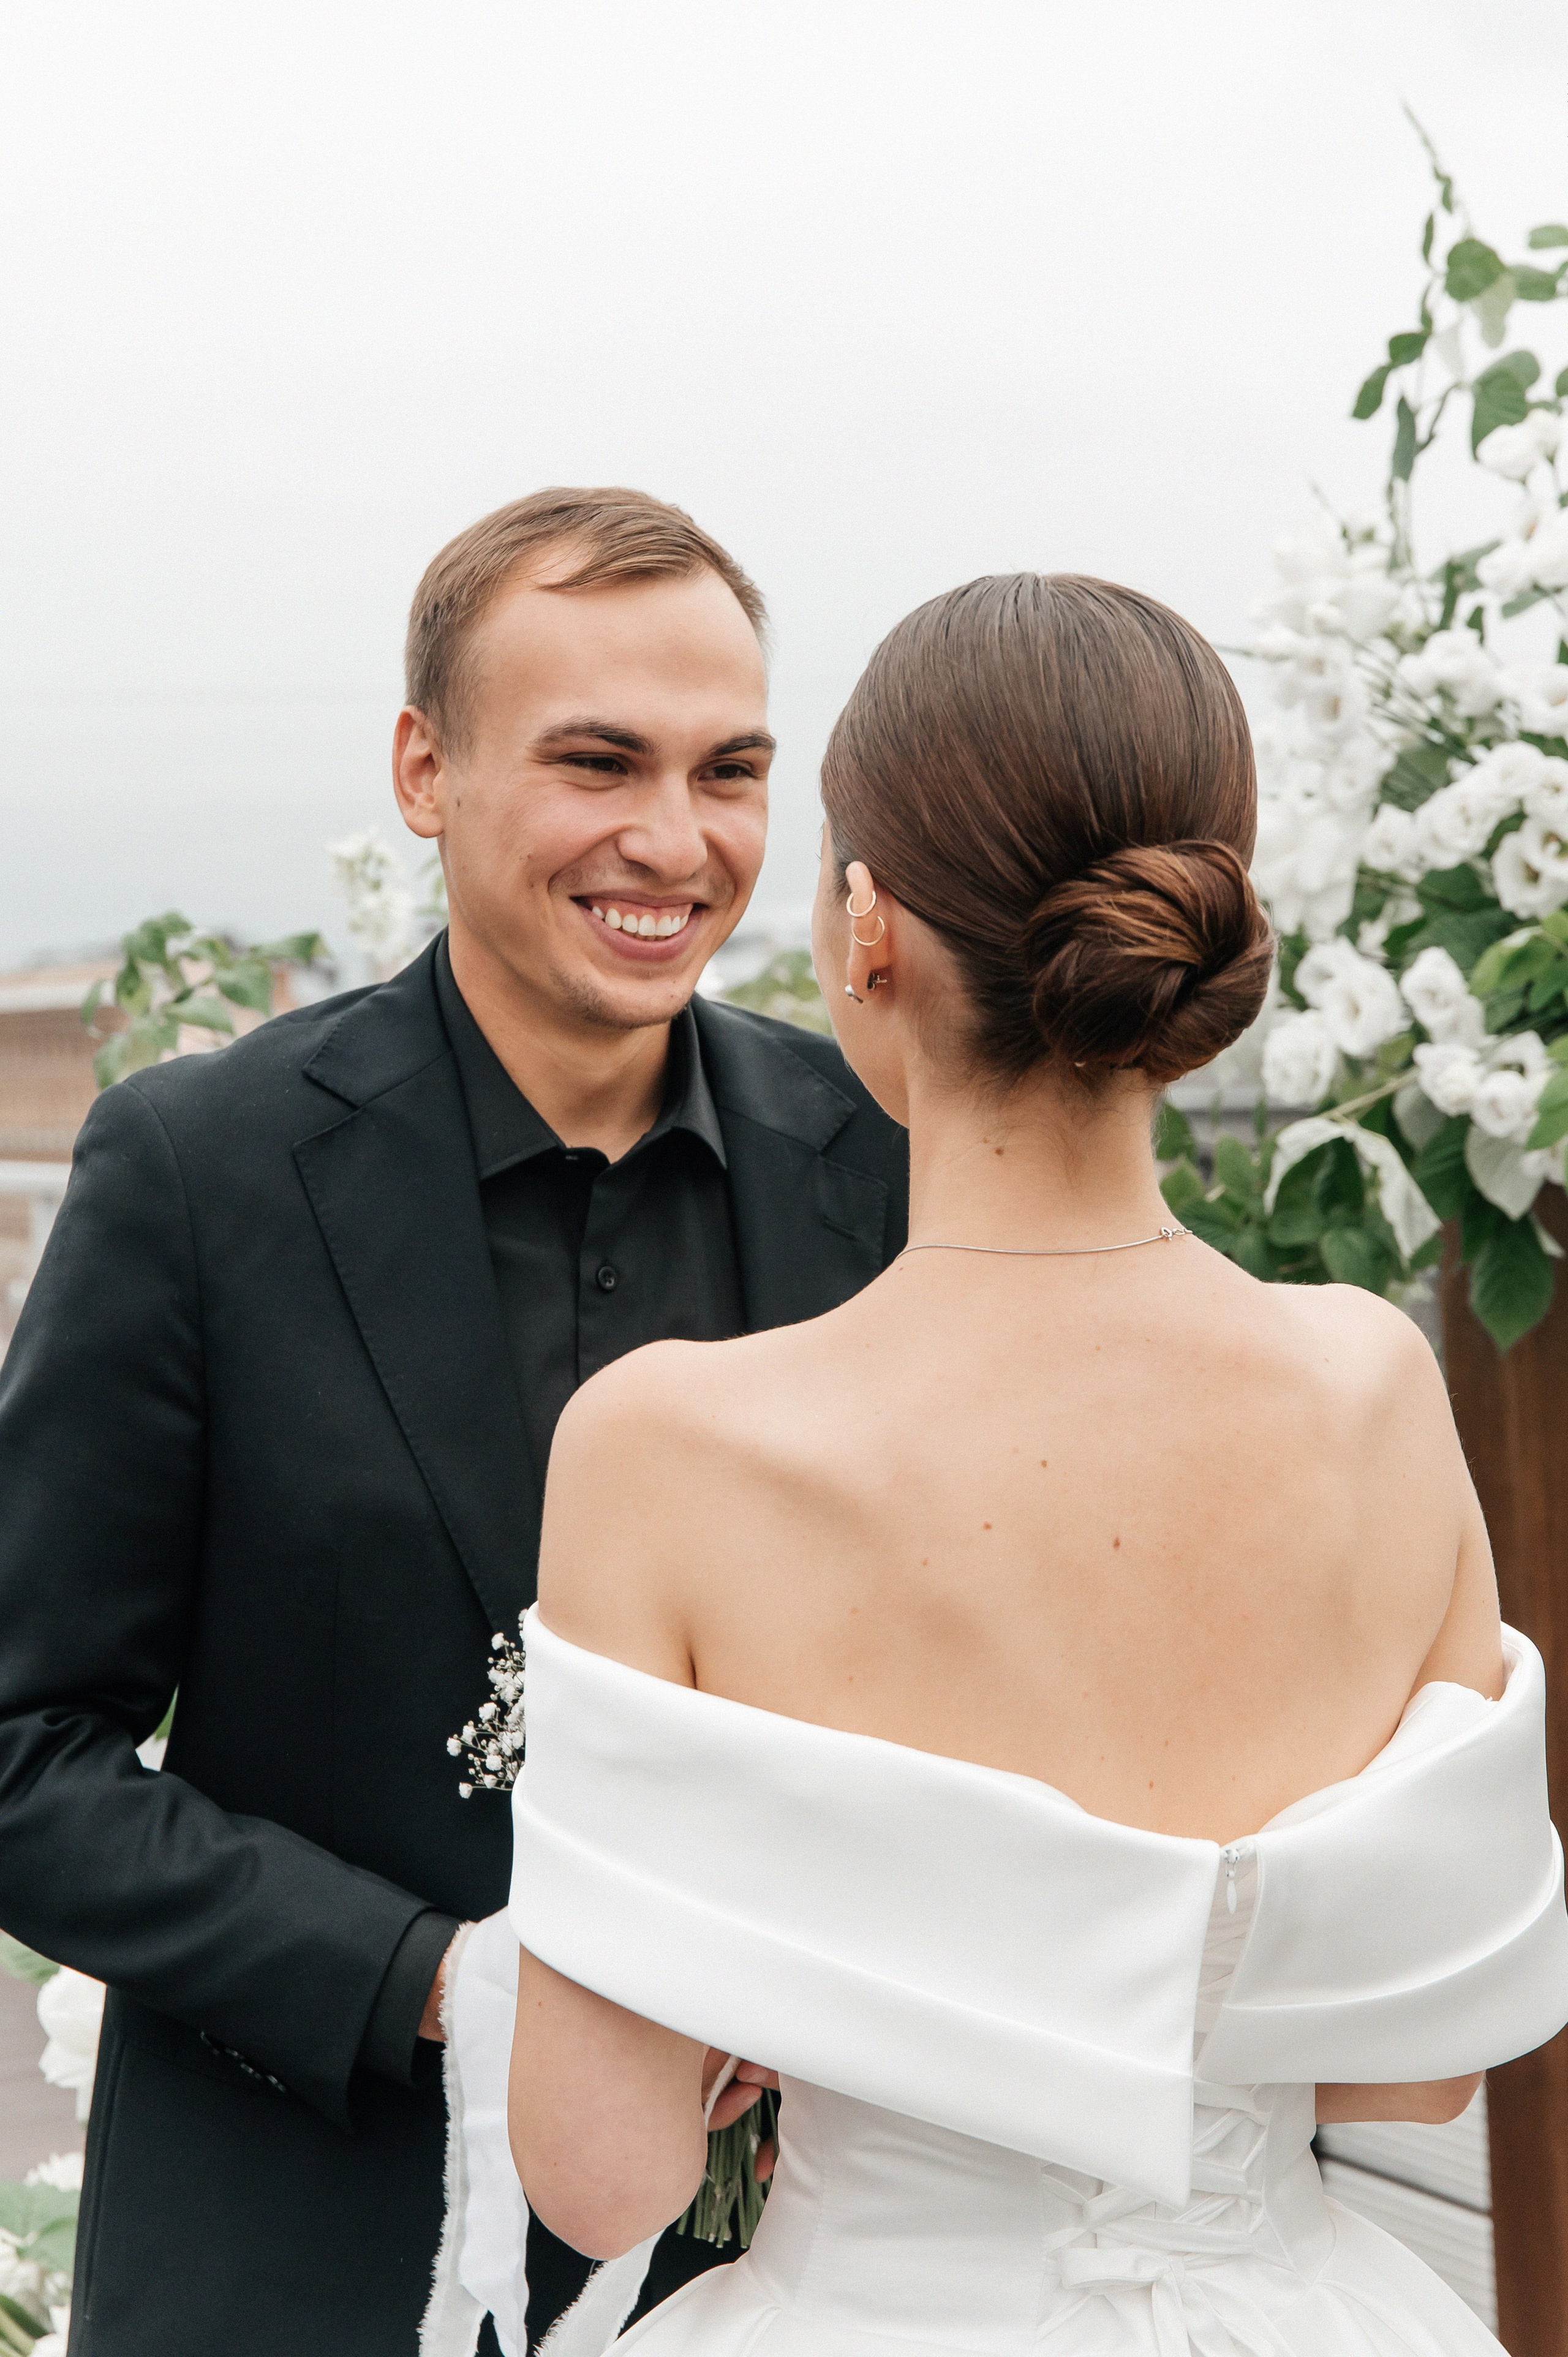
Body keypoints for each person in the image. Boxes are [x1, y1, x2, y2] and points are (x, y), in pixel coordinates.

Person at [493, 573, 1568, 2357]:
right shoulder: (1377, 1390)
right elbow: (1406, 2079)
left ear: (867, 931)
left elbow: (601, 2180)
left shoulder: (666, 1446)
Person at [0, 488, 908, 2357]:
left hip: (790, 2268)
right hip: (291, 2259)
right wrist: (431, 1987)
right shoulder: (198, 1172)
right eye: (598, 762)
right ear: (426, 769)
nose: (676, 840)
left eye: (731, 770)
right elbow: (21, 1756)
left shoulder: (875, 1167)